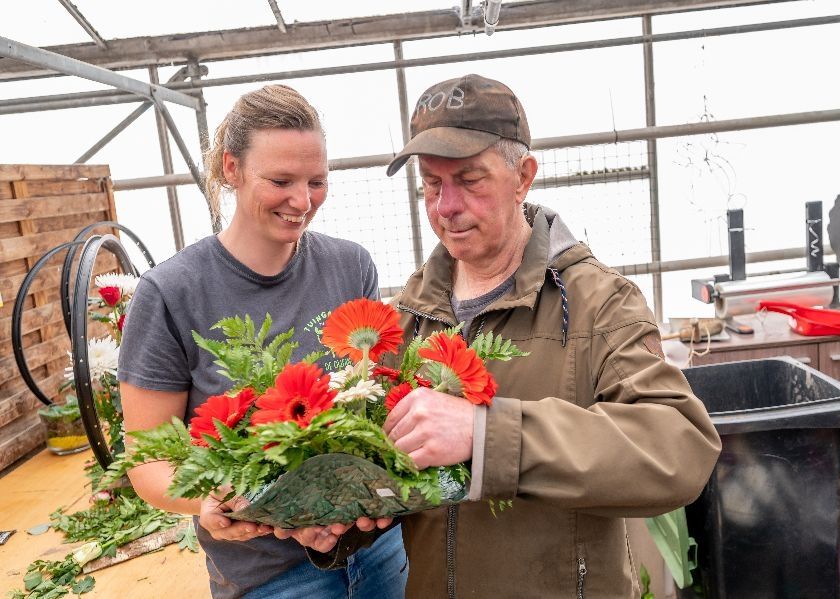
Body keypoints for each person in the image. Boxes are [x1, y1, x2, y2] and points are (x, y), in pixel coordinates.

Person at [300, 74, 722, 597]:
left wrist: (486, 436)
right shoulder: (407, 319)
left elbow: (676, 449)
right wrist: (335, 523)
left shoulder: (600, 303)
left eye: (470, 180)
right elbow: (390, 480)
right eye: (431, 184)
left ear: (523, 177)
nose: (445, 206)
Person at [117, 84, 406, 599]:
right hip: (271, 575)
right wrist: (212, 501)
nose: (303, 201)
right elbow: (147, 460)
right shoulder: (171, 293)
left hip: (376, 551)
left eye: (316, 181)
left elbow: (375, 406)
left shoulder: (350, 265)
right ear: (231, 169)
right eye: (281, 180)